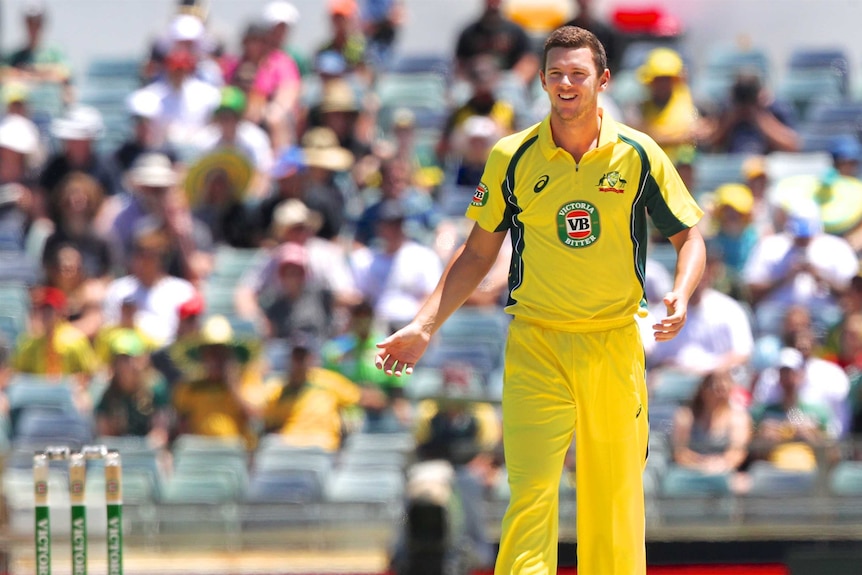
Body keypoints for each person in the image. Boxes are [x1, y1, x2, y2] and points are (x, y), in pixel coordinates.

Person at [375, 26, 706, 575]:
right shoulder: (512, 155)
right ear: (544, 83)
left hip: (613, 344)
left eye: (578, 74)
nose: (566, 84)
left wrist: (681, 291)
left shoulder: (639, 153)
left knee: (616, 503)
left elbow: (689, 236)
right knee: (530, 496)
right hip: (537, 344)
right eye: (556, 75)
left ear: (602, 81)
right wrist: (423, 325)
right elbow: (477, 254)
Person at [670, 369, 753, 494]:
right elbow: (680, 452)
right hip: (690, 469)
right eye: (713, 387)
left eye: (722, 388)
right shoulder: (686, 416)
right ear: (703, 389)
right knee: (672, 481)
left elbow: (738, 452)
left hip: (724, 469)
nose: (718, 393)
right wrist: (701, 464)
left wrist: (721, 464)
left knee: (735, 483)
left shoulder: (738, 418)